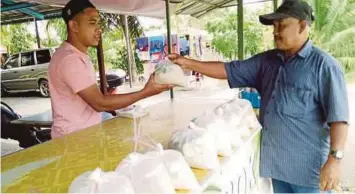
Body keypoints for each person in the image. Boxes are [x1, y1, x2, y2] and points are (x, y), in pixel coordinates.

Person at [169, 0, 349, 193]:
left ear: (302, 26)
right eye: (274, 26)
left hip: (309, 173)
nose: (275, 31)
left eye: (282, 25)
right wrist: (187, 63)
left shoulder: (324, 66)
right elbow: (229, 69)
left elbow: (339, 119)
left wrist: (334, 161)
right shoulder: (267, 61)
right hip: (277, 168)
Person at [48, 0, 173, 139]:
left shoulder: (76, 55)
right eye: (92, 23)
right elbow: (99, 103)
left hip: (84, 136)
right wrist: (146, 92)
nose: (98, 29)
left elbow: (99, 101)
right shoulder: (70, 60)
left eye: (98, 23)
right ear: (74, 26)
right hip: (73, 140)